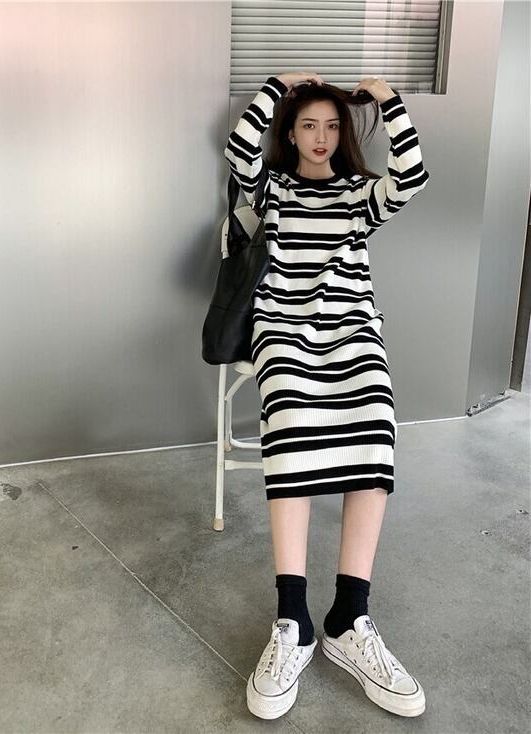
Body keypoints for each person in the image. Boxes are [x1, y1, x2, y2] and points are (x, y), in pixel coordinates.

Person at [223, 72, 430, 720]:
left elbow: (413, 176)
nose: (321, 137)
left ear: (344, 135)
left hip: (351, 328)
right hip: (283, 328)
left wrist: (389, 100)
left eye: (333, 126)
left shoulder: (359, 195)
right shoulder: (272, 189)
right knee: (288, 424)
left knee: (376, 421)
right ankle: (293, 619)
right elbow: (237, 151)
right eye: (308, 125)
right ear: (290, 132)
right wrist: (276, 87)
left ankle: (348, 616)